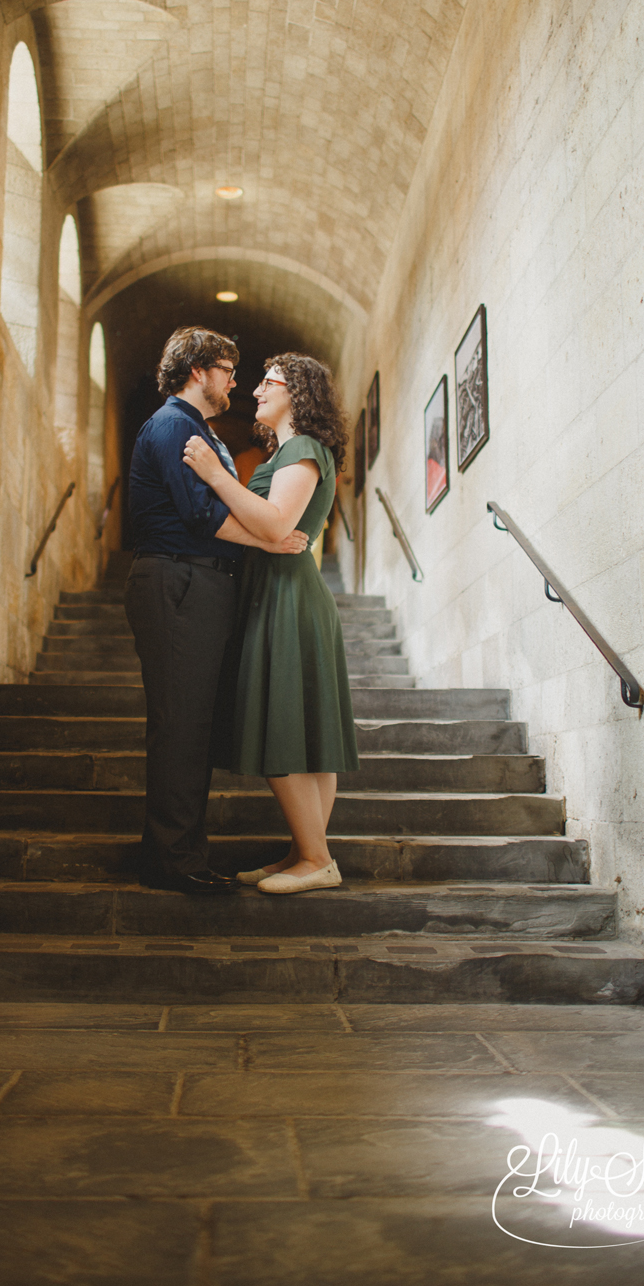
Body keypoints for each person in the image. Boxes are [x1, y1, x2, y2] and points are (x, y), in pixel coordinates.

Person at [124, 327, 308, 896]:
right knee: (182, 725)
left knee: (193, 724)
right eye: (227, 369)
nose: (235, 380)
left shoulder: (194, 429)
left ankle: (180, 852)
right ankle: (172, 860)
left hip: (194, 582)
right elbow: (201, 515)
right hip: (178, 578)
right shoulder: (176, 424)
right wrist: (268, 541)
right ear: (198, 370)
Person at [183, 353, 359, 894]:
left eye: (269, 381)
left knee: (281, 726)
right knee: (306, 735)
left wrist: (215, 474)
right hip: (281, 591)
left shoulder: (302, 447)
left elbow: (277, 522)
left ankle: (315, 859)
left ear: (299, 392)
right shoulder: (290, 449)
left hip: (286, 596)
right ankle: (307, 852)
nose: (256, 389)